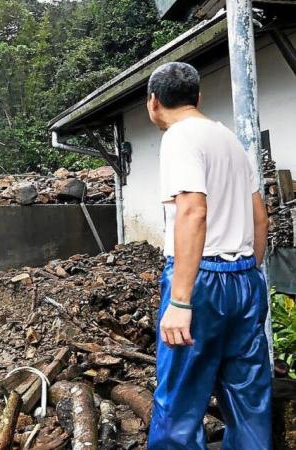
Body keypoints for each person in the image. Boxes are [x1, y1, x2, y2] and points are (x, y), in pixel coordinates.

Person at [146, 62, 271, 450]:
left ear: (153, 103)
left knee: (180, 400)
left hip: (202, 283)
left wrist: (181, 299)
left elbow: (192, 210)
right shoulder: (229, 140)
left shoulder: (179, 137)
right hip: (246, 278)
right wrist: (248, 271)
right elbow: (260, 219)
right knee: (249, 398)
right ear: (198, 98)